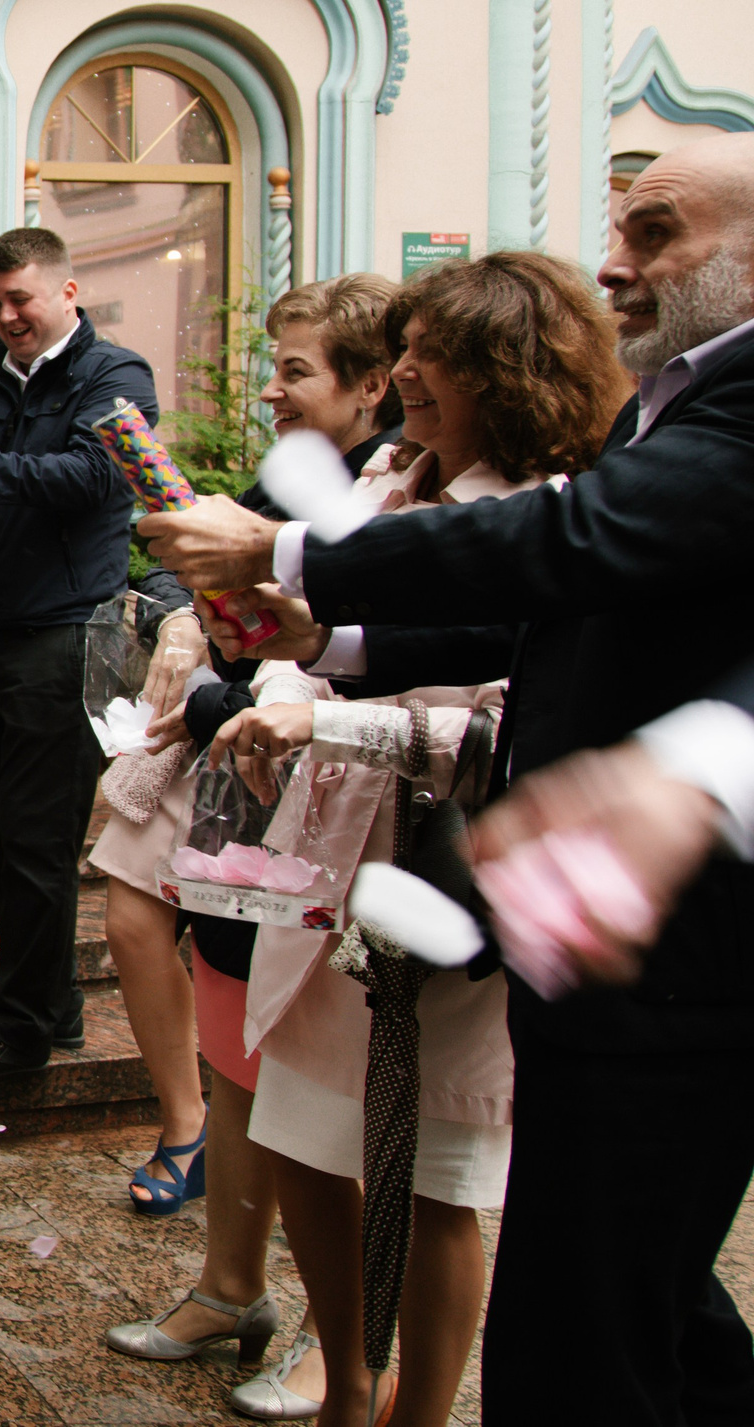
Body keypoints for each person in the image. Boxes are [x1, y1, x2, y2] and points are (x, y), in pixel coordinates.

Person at [140, 134, 754, 1425]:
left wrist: (291, 551)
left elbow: (573, 542)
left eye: (656, 231)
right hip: (584, 910)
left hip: (672, 932)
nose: (616, 260)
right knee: (638, 1291)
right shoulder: (687, 393)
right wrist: (332, 639)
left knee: (578, 1318)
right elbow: (559, 612)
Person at [219, 255, 625, 1426]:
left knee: (432, 1171)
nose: (399, 370)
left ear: (504, 366)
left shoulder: (541, 510)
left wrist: (331, 714)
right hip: (325, 850)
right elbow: (339, 629)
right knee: (301, 1127)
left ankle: (420, 1413)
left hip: (444, 862)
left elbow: (515, 707)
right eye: (399, 347)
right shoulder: (389, 474)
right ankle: (350, 1381)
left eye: (427, 351)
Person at [99, 275, 400, 1414]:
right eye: (270, 369)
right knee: (232, 1055)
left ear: (374, 384)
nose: (271, 391)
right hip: (245, 817)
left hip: (335, 820)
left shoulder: (385, 504)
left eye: (296, 372)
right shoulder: (284, 485)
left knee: (333, 1098)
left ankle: (344, 1340)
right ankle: (231, 1285)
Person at [0, 226, 153, 1080]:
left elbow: (93, 480)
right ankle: (48, 999)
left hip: (66, 634)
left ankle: (23, 1031)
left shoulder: (115, 377)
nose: (6, 316)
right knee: (2, 838)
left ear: (67, 292)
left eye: (22, 300)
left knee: (42, 843)